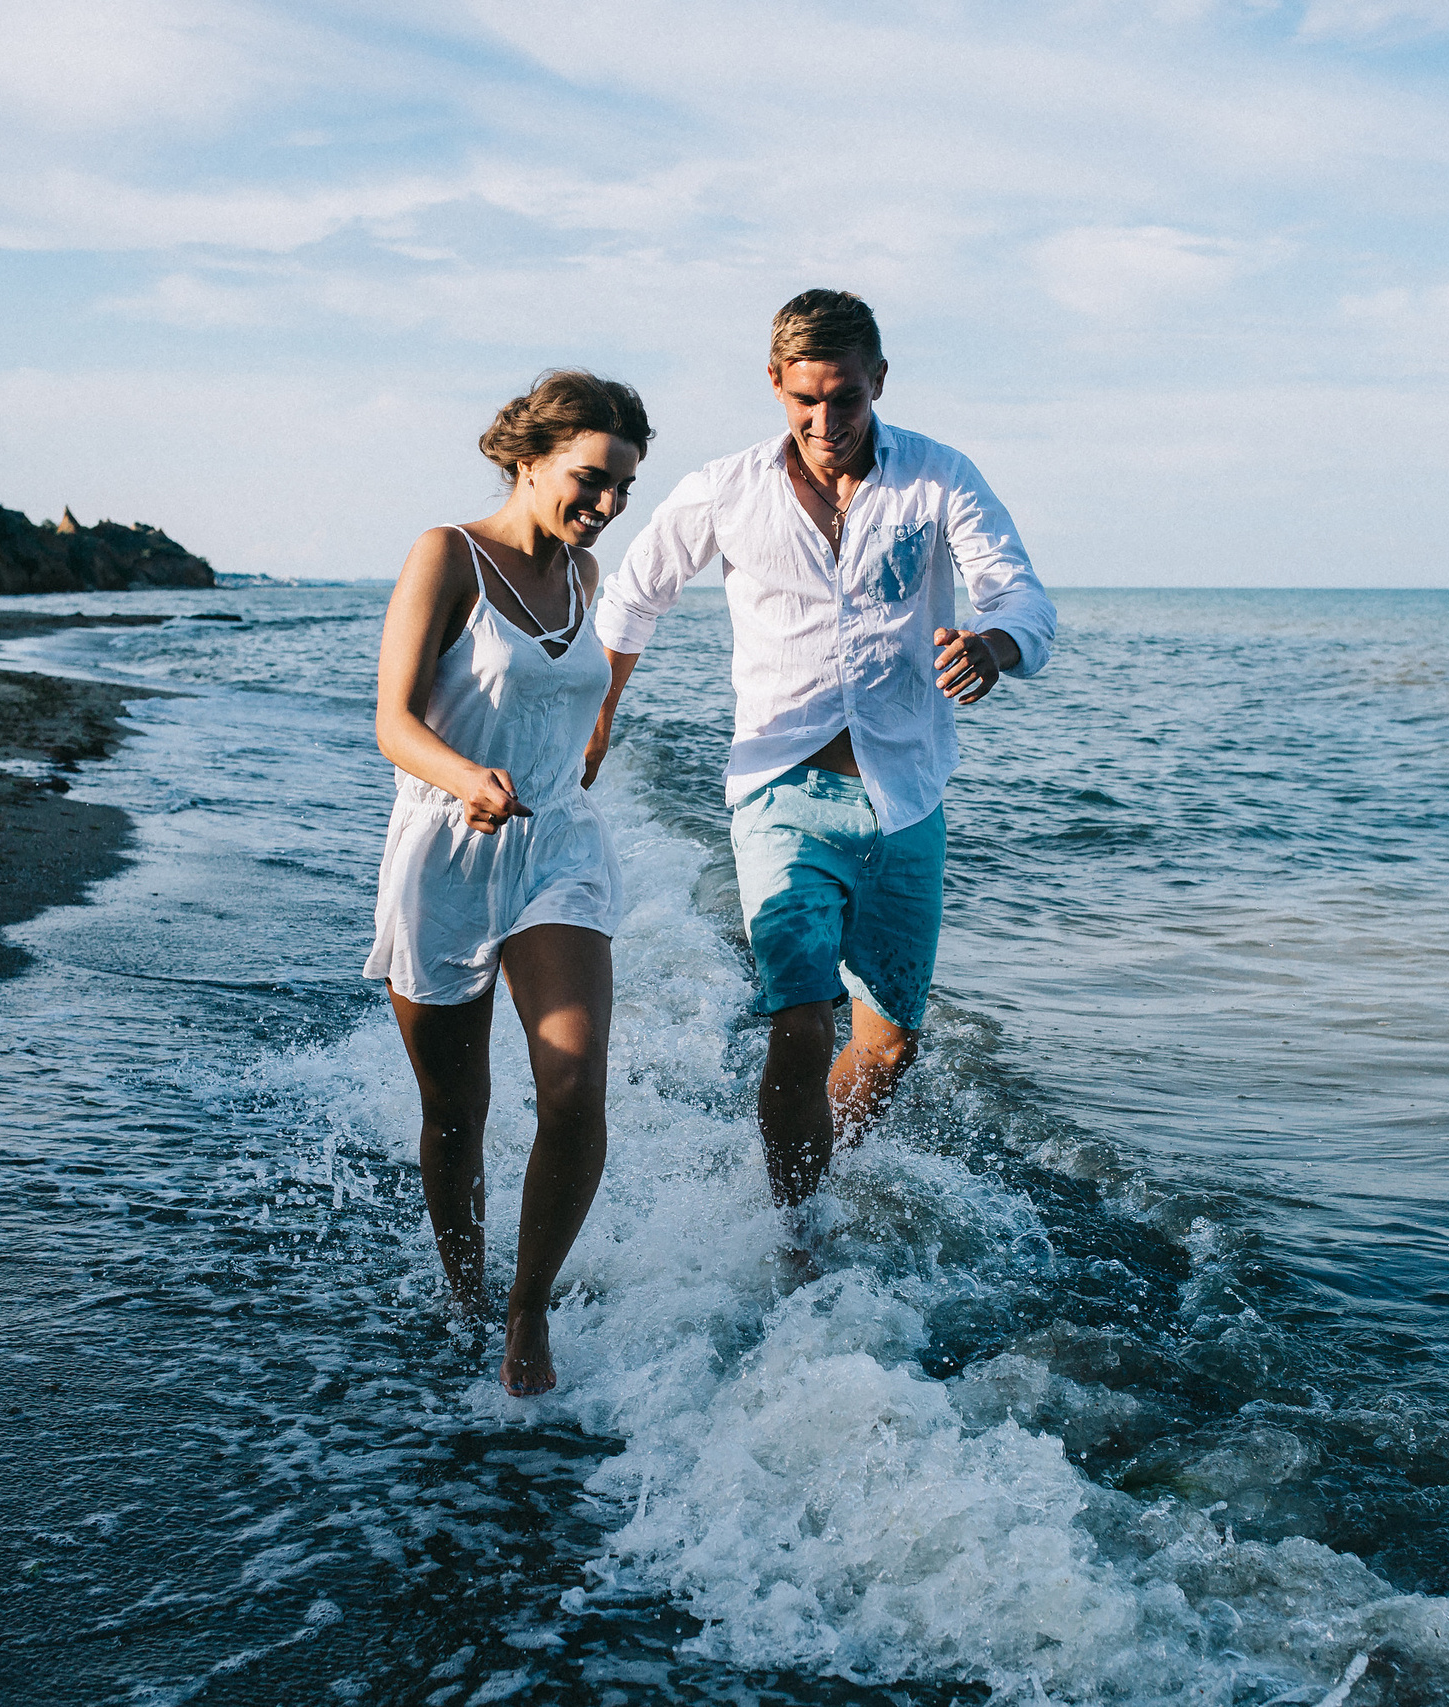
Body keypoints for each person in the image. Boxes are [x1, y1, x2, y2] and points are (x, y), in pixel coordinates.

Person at [585, 290, 1056, 1209]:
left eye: (847, 398)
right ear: (775, 382)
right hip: (779, 793)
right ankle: (797, 1236)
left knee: (889, 1046)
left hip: (906, 798)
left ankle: (803, 1176)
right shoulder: (726, 488)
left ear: (878, 379)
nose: (826, 421)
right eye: (806, 399)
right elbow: (633, 596)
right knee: (799, 1024)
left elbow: (1022, 598)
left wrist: (993, 648)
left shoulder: (939, 478)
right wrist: (597, 716)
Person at [367, 369, 652, 1396]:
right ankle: (464, 1292)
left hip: (556, 848)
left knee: (573, 1088)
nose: (607, 504)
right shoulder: (446, 555)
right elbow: (393, 721)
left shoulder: (585, 575)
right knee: (456, 1113)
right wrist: (465, 777)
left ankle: (527, 1311)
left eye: (623, 487)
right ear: (529, 460)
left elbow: (572, 701)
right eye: (591, 479)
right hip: (446, 852)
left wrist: (579, 747)